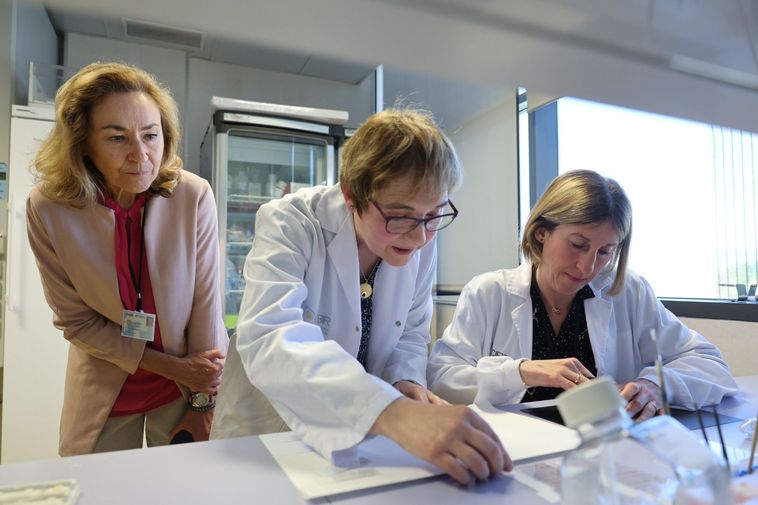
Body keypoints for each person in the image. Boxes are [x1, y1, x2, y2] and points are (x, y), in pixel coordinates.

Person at [211, 109, 512, 484]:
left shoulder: (420, 235)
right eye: (400, 216)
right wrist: (392, 413)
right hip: (267, 433)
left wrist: (406, 383)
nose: (419, 238)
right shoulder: (291, 222)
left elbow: (410, 334)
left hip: (363, 444)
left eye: (434, 215)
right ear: (353, 196)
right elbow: (271, 337)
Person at [27, 62, 227, 456]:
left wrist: (203, 402)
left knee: (182, 491)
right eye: (117, 138)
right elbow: (77, 322)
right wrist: (170, 366)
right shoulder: (49, 209)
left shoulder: (192, 196)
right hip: (106, 386)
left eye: (151, 136)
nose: (141, 155)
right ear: (83, 144)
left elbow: (206, 308)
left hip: (183, 391)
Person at [427, 169, 738, 420]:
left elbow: (708, 363)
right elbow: (442, 379)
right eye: (577, 244)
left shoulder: (628, 291)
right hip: (513, 454)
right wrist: (520, 371)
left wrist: (654, 386)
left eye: (605, 251)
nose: (587, 266)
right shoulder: (488, 292)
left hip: (607, 455)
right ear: (542, 232)